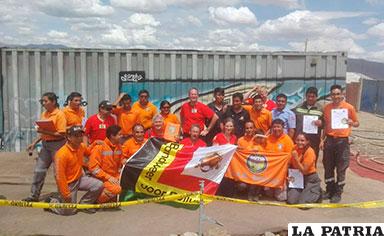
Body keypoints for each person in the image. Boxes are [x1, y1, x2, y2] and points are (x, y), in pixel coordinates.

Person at [47, 125, 103, 215]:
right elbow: (59, 177)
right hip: (68, 184)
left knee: (98, 185)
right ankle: (52, 202)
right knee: (69, 211)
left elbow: (89, 151)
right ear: (69, 137)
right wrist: (65, 194)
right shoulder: (61, 154)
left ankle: (85, 204)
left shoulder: (81, 146)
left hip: (79, 179)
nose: (79, 138)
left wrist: (95, 144)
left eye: (80, 135)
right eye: (76, 136)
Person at [23, 92, 67, 202]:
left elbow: (62, 134)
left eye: (45, 101)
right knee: (39, 170)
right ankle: (34, 196)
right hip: (45, 145)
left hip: (58, 145)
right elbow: (43, 132)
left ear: (53, 102)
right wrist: (34, 143)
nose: (43, 103)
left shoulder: (60, 115)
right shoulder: (45, 114)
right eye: (42, 101)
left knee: (58, 173)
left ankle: (63, 196)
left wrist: (44, 131)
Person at [321, 84, 359, 203]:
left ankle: (338, 192)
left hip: (342, 141)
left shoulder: (349, 108)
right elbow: (325, 125)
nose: (336, 96)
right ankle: (329, 190)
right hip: (330, 140)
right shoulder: (327, 108)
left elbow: (357, 123)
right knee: (328, 166)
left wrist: (351, 122)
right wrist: (322, 140)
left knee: (341, 167)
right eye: (333, 94)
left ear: (342, 94)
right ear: (330, 95)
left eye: (338, 94)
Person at [88, 125, 123, 203]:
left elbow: (119, 164)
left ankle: (108, 197)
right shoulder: (99, 147)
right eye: (119, 134)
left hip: (114, 176)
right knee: (116, 189)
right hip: (101, 178)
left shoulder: (119, 147)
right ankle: (96, 202)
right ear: (112, 136)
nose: (122, 136)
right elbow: (93, 168)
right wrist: (108, 177)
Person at [287, 133, 322, 204]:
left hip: (309, 177)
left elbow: (304, 171)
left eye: (302, 140)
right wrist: (287, 176)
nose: (300, 142)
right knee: (291, 201)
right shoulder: (294, 148)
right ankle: (305, 192)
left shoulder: (310, 152)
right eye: (298, 140)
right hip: (297, 177)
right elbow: (288, 164)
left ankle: (317, 192)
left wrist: (296, 159)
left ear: (307, 141)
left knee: (303, 203)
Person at [264, 119, 294, 201]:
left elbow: (290, 159)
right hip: (269, 171)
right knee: (268, 194)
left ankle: (284, 186)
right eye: (274, 127)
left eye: (278, 127)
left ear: (283, 128)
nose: (276, 129)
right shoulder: (268, 138)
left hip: (281, 172)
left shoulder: (287, 140)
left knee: (281, 198)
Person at [293, 87, 323, 160]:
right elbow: (292, 121)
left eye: (313, 97)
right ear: (306, 96)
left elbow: (325, 124)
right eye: (308, 96)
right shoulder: (298, 107)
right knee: (298, 160)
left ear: (316, 97)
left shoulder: (321, 109)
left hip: (314, 141)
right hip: (300, 141)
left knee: (312, 160)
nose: (310, 98)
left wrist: (321, 123)